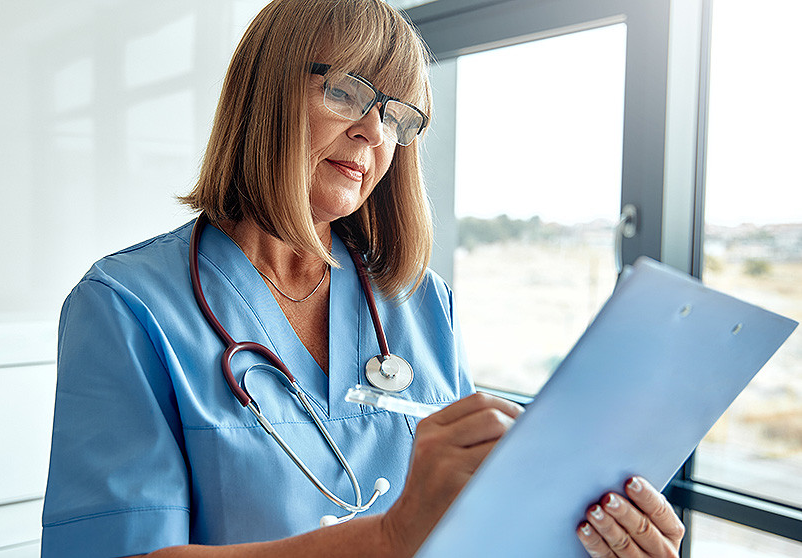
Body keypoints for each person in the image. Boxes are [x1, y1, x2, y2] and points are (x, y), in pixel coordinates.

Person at [41, 0, 686, 556]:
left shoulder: (422, 304)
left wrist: (589, 537)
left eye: (397, 116)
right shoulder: (128, 307)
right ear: (266, 92)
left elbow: (473, 528)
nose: (373, 132)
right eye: (346, 90)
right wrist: (385, 542)